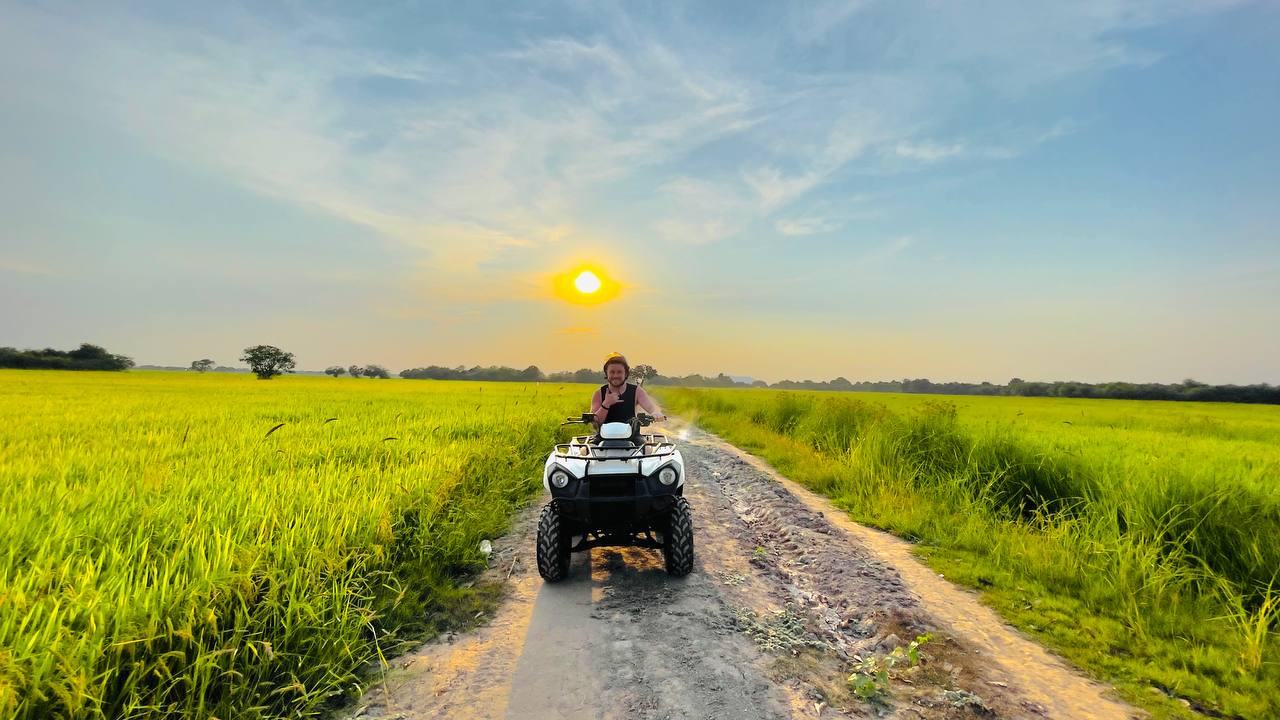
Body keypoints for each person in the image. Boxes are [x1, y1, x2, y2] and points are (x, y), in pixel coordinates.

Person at [590, 352, 665, 430]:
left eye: (619, 372)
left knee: (642, 442)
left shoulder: (636, 391)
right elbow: (595, 424)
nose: (615, 376)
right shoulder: (598, 393)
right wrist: (606, 403)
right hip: (603, 437)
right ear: (606, 373)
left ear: (626, 373)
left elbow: (650, 407)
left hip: (632, 437)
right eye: (612, 372)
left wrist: (655, 413)